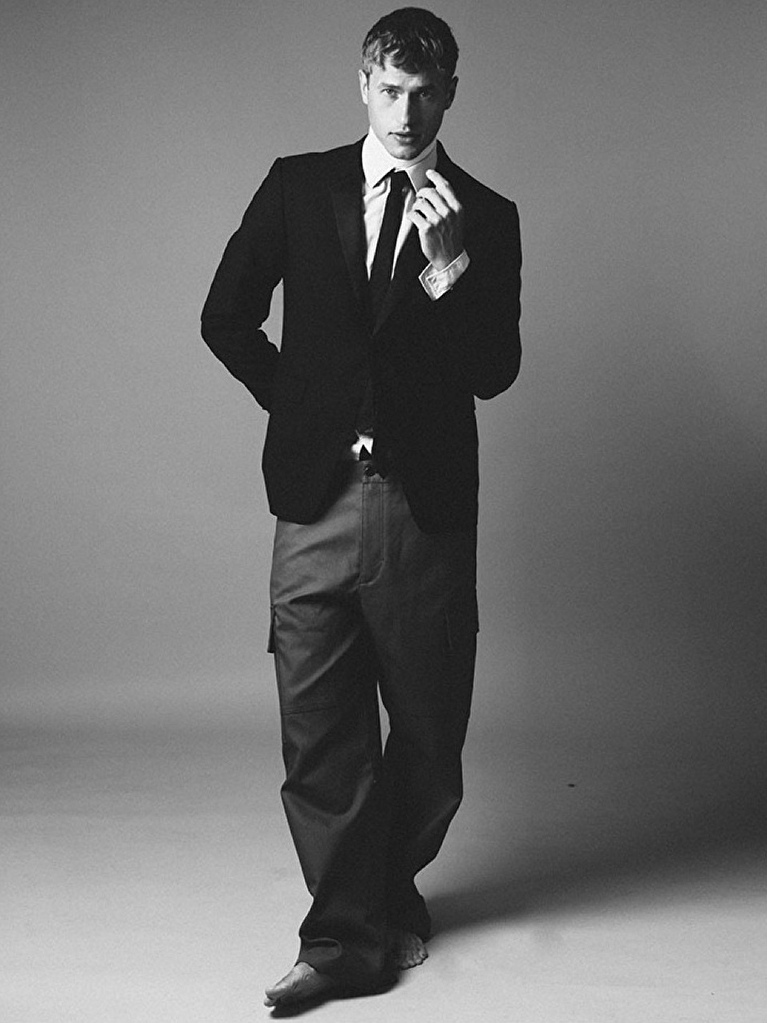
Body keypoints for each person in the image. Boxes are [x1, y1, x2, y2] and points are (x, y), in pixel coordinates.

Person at [201, 6, 521, 1008]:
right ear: (362, 85)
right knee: (316, 732)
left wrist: (450, 266)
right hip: (315, 501)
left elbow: (494, 370)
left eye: (424, 92)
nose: (405, 111)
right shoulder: (298, 186)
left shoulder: (486, 214)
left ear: (450, 93)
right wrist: (300, 404)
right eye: (388, 89)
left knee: (428, 735)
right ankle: (343, 940)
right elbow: (224, 316)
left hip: (423, 511)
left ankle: (379, 892)